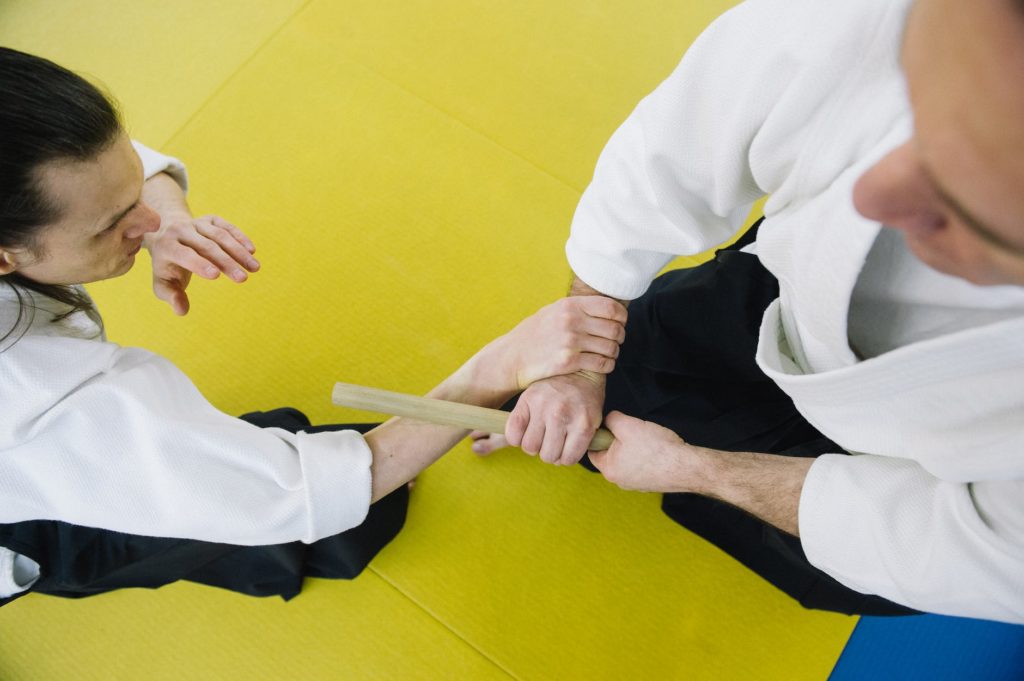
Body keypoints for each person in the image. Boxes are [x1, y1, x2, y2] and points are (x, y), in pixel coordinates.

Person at [0, 46, 628, 605]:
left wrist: (167, 217)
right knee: (168, 537)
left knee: (303, 464)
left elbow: (106, 174)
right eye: (113, 225)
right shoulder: (38, 407)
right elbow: (287, 493)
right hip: (27, 526)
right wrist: (497, 369)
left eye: (134, 192)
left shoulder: (31, 160)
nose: (143, 222)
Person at [474, 0, 1024, 623]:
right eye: (919, 112)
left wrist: (695, 470)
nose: (867, 192)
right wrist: (573, 363)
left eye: (959, 198)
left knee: (811, 553)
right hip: (792, 287)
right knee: (631, 368)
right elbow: (675, 151)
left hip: (927, 473)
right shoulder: (884, 17)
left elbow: (972, 547)